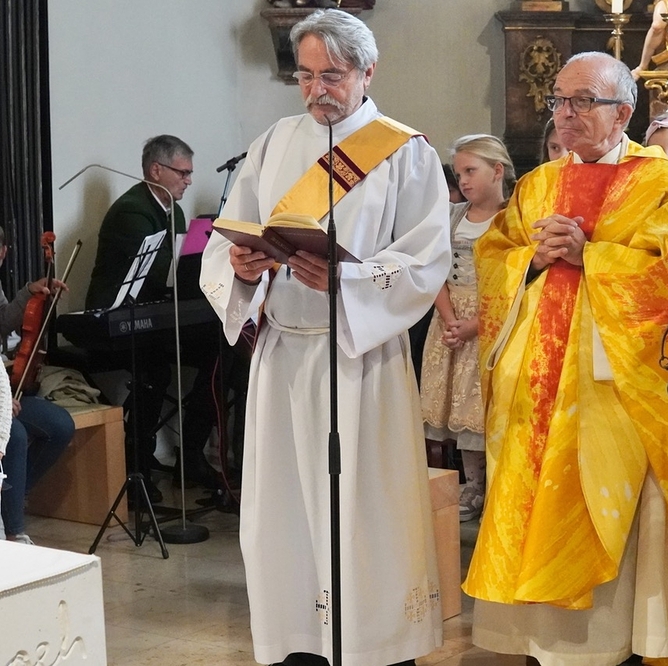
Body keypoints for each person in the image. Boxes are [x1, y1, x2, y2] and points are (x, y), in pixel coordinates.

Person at [199, 9, 450, 666]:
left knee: (364, 509)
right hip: (283, 352)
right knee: (282, 509)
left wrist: (349, 280)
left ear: (368, 72)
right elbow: (229, 235)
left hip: (359, 360)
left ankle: (373, 646)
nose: (317, 90)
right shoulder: (273, 143)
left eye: (332, 76)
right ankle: (300, 642)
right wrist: (242, 267)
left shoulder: (404, 152)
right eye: (306, 76)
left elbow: (425, 260)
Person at [465, 51, 668, 665]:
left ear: (623, 113)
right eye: (559, 100)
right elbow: (494, 253)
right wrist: (532, 258)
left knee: (607, 504)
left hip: (613, 385)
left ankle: (608, 646)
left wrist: (592, 256)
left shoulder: (661, 183)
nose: (566, 114)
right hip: (537, 381)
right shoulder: (538, 183)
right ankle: (539, 641)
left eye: (583, 101)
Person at [85, 134, 219, 502]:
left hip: (157, 316)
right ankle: (137, 465)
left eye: (190, 173)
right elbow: (162, 273)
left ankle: (191, 454)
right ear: (156, 170)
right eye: (183, 173)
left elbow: (178, 272)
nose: (188, 181)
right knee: (154, 368)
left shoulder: (174, 211)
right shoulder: (131, 211)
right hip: (117, 317)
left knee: (222, 352)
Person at [420, 134, 513, 523]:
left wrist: (477, 324)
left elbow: (517, 280)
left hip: (493, 319)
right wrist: (449, 318)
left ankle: (501, 485)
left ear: (497, 170)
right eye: (459, 174)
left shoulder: (512, 218)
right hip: (451, 318)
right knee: (456, 405)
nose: (463, 181)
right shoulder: (452, 217)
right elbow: (434, 269)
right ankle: (473, 484)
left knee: (481, 406)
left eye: (471, 171)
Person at [0, 229, 76, 545]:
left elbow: (3, 323)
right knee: (15, 436)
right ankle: (15, 532)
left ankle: (10, 498)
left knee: (60, 425)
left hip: (4, 386)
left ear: (4, 252)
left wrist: (30, 292)